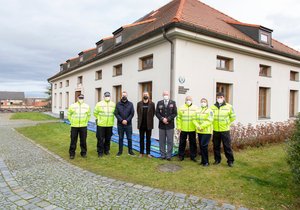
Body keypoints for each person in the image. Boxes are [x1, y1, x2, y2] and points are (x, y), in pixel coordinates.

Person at [211, 92, 236, 167]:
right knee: (216, 146)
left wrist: (227, 122)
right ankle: (217, 160)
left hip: (225, 130)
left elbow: (233, 117)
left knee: (227, 146)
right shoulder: (212, 107)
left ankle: (230, 161)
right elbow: (210, 117)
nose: (219, 98)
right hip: (216, 130)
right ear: (216, 98)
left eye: (221, 97)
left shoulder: (229, 106)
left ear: (224, 98)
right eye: (218, 97)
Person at [67, 94, 91, 159]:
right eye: (80, 98)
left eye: (82, 98)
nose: (81, 99)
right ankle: (72, 154)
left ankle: (83, 153)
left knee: (83, 140)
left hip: (83, 126)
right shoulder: (73, 106)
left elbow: (89, 115)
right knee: (73, 140)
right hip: (74, 126)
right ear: (77, 98)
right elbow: (69, 114)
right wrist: (71, 121)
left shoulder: (87, 106)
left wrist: (86, 121)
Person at [155, 91, 177, 161]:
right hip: (161, 125)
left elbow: (175, 113)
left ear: (169, 95)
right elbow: (157, 113)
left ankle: (169, 155)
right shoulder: (159, 103)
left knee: (170, 141)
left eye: (167, 94)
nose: (165, 95)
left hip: (170, 125)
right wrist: (162, 119)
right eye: (164, 94)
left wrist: (168, 119)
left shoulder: (173, 103)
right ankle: (162, 155)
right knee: (162, 141)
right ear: (162, 95)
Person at [94, 92, 116, 158]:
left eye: (108, 96)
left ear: (110, 96)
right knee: (100, 139)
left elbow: (115, 113)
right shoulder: (99, 104)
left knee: (108, 138)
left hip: (109, 124)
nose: (107, 97)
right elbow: (95, 113)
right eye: (106, 96)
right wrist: (99, 119)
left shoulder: (113, 104)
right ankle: (100, 152)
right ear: (104, 96)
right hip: (101, 124)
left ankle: (106, 150)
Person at [176, 96, 198, 162]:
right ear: (185, 100)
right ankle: (181, 156)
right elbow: (178, 118)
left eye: (189, 99)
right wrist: (179, 127)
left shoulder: (196, 108)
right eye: (187, 99)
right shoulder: (181, 108)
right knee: (182, 143)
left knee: (193, 143)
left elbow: (198, 118)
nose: (188, 100)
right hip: (183, 129)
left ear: (192, 100)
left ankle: (193, 156)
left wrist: (197, 127)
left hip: (192, 128)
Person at [193, 98, 214, 166]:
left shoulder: (210, 111)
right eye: (201, 101)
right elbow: (194, 119)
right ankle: (203, 161)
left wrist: (201, 127)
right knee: (201, 146)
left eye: (204, 101)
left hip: (207, 131)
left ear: (207, 103)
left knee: (204, 145)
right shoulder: (198, 110)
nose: (203, 103)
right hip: (200, 131)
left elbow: (209, 120)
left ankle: (206, 162)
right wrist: (198, 126)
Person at [114, 91, 135, 156]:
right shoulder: (118, 104)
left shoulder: (131, 104)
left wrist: (127, 120)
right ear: (121, 96)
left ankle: (130, 151)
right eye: (123, 95)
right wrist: (121, 120)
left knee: (129, 138)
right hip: (120, 124)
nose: (124, 96)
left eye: (125, 95)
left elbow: (132, 113)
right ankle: (120, 151)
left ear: (127, 96)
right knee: (120, 138)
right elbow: (116, 113)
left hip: (128, 124)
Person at [137, 91, 155, 158]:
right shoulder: (139, 103)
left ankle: (148, 153)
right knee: (141, 139)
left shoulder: (152, 104)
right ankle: (141, 153)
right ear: (142, 96)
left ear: (149, 95)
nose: (145, 95)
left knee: (148, 139)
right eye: (144, 94)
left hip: (149, 125)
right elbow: (138, 112)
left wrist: (149, 120)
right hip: (141, 124)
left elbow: (153, 113)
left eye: (146, 94)